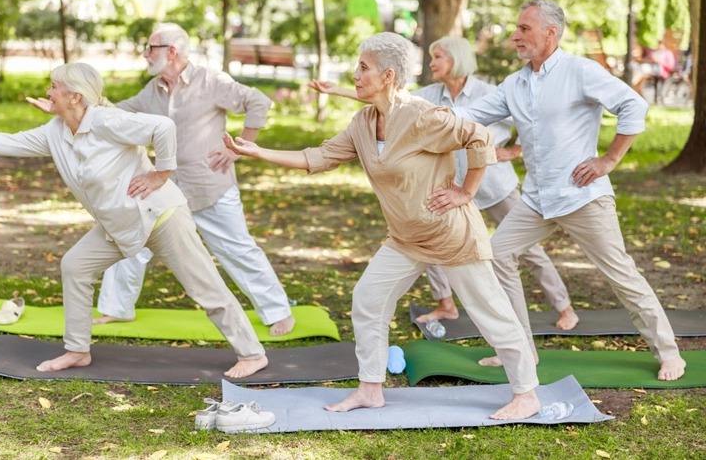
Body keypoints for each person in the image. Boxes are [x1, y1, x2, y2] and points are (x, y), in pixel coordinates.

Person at [224, 32, 541, 420]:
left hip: (450, 235)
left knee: (490, 313)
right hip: (406, 238)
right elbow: (319, 156)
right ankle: (370, 389)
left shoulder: (422, 115)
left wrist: (465, 191)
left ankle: (527, 394)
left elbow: (479, 137)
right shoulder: (363, 122)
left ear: (388, 75)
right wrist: (257, 151)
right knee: (368, 301)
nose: (355, 75)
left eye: (363, 67)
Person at [0, 63, 268, 378]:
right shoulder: (55, 132)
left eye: (54, 86)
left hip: (159, 215)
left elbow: (163, 127)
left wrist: (161, 174)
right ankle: (77, 350)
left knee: (204, 286)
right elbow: (2, 142)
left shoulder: (107, 121)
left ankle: (252, 355)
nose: (48, 91)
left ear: (76, 96)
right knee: (75, 266)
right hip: (120, 225)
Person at [454, 0, 686, 381]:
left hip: (583, 197)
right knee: (496, 256)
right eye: (516, 28)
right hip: (537, 200)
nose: (515, 35)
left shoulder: (580, 71)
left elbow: (633, 106)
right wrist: (405, 107)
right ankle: (521, 349)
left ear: (551, 33)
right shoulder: (515, 83)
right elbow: (469, 115)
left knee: (621, 276)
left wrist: (608, 160)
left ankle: (668, 352)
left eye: (524, 29)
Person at [33, 23, 295, 337]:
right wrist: (70, 106)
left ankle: (278, 312)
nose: (145, 54)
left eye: (150, 48)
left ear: (171, 52)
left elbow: (259, 102)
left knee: (237, 249)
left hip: (209, 185)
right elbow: (118, 113)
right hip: (162, 188)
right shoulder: (153, 89)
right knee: (128, 238)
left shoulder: (211, 81)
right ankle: (117, 308)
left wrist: (240, 150)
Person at [309, 37, 578, 330]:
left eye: (438, 57)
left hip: (494, 186)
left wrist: (513, 151)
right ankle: (445, 304)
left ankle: (564, 307)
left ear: (456, 60)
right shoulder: (430, 95)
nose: (432, 63)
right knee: (430, 246)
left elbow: (531, 122)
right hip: (450, 190)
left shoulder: (488, 92)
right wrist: (338, 91)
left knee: (525, 250)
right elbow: (390, 97)